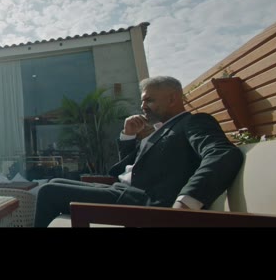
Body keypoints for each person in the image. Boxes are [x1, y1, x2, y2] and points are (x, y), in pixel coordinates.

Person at [33, 76, 244, 227]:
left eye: (149, 100)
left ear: (172, 99)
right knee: (54, 182)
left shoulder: (193, 123)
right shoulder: (162, 129)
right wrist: (128, 135)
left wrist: (187, 201)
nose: (143, 106)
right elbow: (133, 165)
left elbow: (221, 152)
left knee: (48, 192)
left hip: (142, 202)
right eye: (142, 100)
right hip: (124, 190)